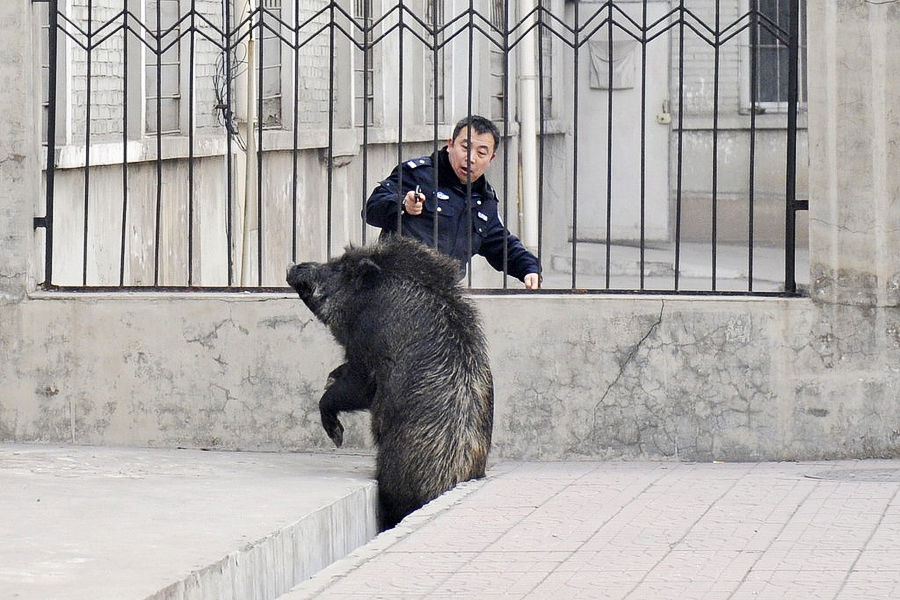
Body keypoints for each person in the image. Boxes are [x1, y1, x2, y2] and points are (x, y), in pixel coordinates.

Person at [364, 115, 541, 289]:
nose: (471, 158)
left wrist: (529, 268)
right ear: (450, 144)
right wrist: (403, 204)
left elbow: (501, 244)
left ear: (491, 159)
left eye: (481, 153)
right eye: (465, 148)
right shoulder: (417, 174)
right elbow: (371, 209)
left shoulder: (484, 201)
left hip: (443, 295)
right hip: (395, 288)